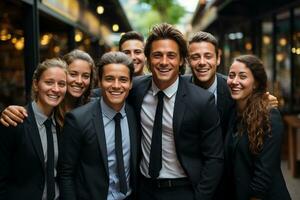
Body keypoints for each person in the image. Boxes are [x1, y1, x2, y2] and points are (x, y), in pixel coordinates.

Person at [127, 23, 223, 200]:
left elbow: (214, 158)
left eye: (171, 55)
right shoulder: (135, 90)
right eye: (157, 55)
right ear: (148, 59)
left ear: (181, 61)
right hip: (144, 189)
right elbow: (107, 91)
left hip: (183, 189)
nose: (164, 62)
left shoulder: (201, 100)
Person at [58, 51, 138, 200]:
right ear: (100, 82)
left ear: (131, 83)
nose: (116, 85)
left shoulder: (134, 114)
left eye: (123, 79)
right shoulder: (78, 119)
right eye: (109, 79)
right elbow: (66, 174)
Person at [0, 58, 68, 200]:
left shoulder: (64, 125)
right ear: (36, 84)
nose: (55, 89)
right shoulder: (15, 121)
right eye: (49, 82)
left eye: (61, 84)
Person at [225, 55, 291, 200]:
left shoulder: (269, 116)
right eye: (231, 75)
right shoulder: (232, 113)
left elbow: (263, 176)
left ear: (255, 83)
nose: (235, 81)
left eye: (242, 76)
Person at [0, 49, 95, 128]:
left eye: (86, 76)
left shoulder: (94, 109)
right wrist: (7, 112)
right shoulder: (49, 108)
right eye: (73, 74)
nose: (79, 81)